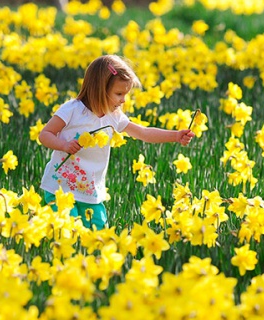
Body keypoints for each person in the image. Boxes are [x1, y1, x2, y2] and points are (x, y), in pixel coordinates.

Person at [38, 54, 196, 230]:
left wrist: (175, 136)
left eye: (125, 94)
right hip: (59, 186)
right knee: (65, 228)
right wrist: (64, 146)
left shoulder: (113, 117)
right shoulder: (72, 110)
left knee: (98, 232)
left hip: (89, 190)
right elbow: (45, 134)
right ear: (99, 89)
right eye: (119, 94)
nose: (123, 100)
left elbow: (143, 133)